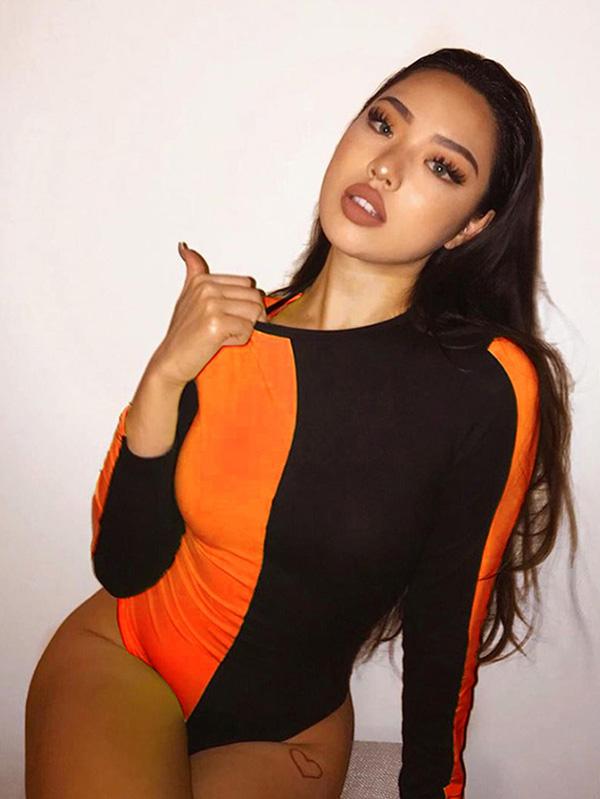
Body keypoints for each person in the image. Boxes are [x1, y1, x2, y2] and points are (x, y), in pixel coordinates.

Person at [25, 47, 578, 799]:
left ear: (471, 226)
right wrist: (165, 373)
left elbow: (448, 622)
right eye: (383, 123)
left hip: (288, 733)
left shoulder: (485, 386)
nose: (386, 165)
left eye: (442, 166)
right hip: (125, 660)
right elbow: (124, 565)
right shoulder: (227, 327)